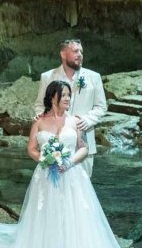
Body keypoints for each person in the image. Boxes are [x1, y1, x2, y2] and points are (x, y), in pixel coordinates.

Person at [0, 80, 127, 248]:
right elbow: (31, 149)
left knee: (74, 214)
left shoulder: (75, 121)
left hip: (72, 176)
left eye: (69, 95)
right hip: (45, 176)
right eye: (64, 95)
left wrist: (69, 162)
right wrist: (45, 159)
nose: (68, 98)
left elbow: (83, 148)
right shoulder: (39, 122)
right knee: (46, 214)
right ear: (52, 97)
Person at [33, 39, 107, 176]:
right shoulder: (47, 77)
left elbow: (101, 106)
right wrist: (44, 117)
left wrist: (87, 120)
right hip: (54, 145)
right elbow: (40, 105)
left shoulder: (94, 77)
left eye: (81, 52)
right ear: (63, 54)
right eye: (75, 51)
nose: (80, 55)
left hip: (83, 144)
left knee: (82, 186)